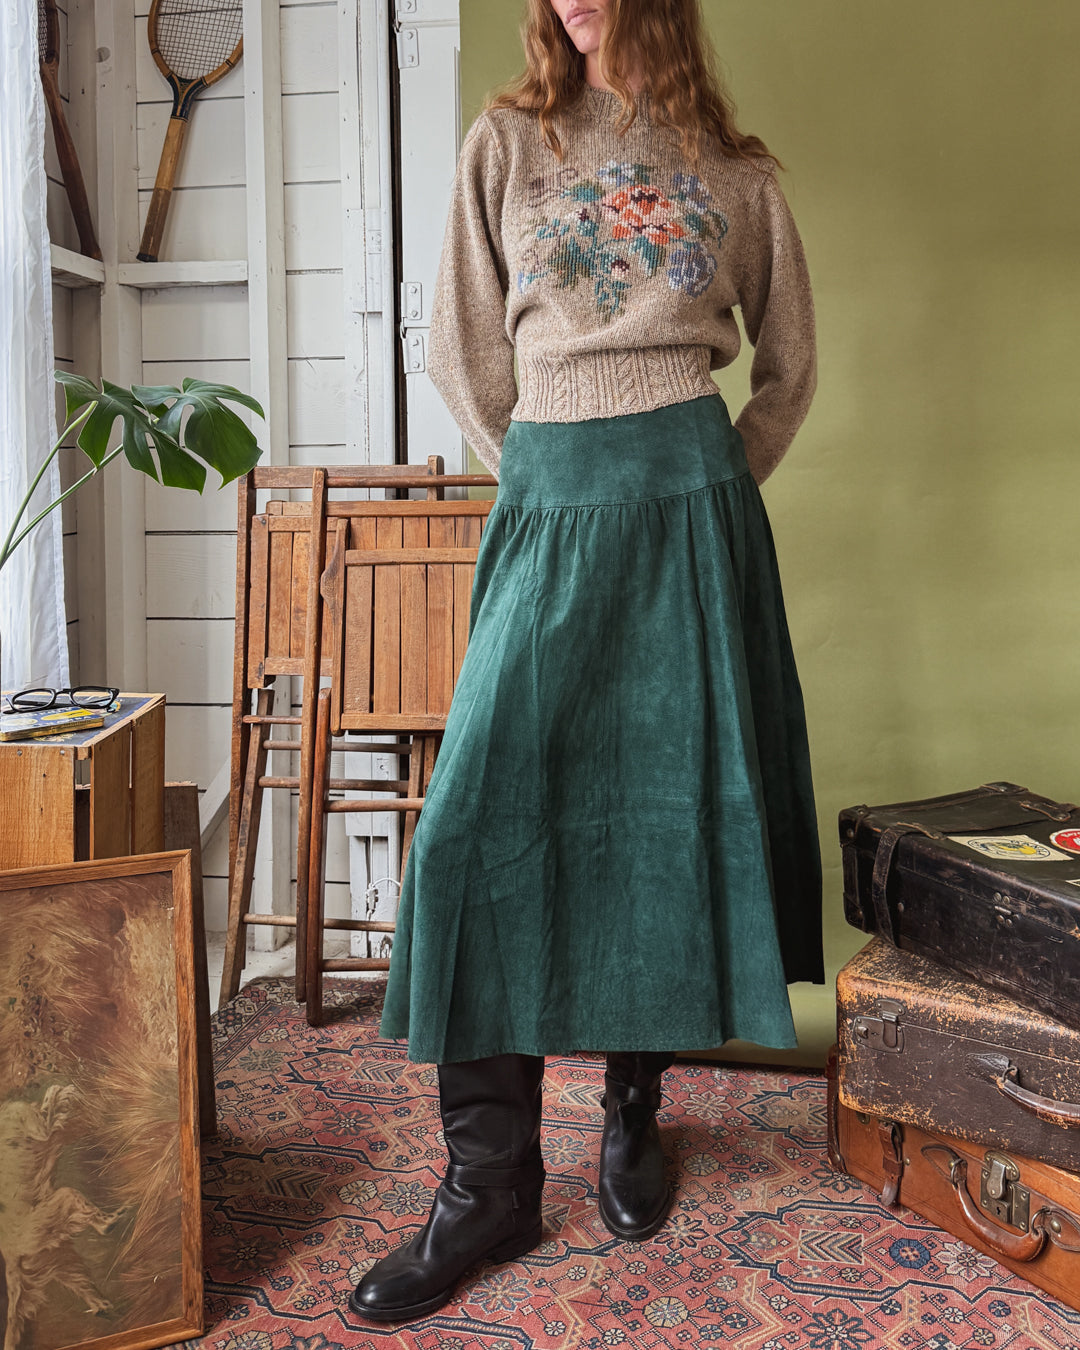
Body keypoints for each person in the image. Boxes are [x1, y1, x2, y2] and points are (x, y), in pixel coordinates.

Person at [349, 0, 824, 1323]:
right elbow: (462, 346)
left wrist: (710, 479)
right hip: (554, 497)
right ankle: (488, 1187)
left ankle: (631, 1110)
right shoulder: (505, 142)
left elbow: (788, 365)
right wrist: (544, 472)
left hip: (689, 511)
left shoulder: (738, 171)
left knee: (661, 812)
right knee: (472, 828)